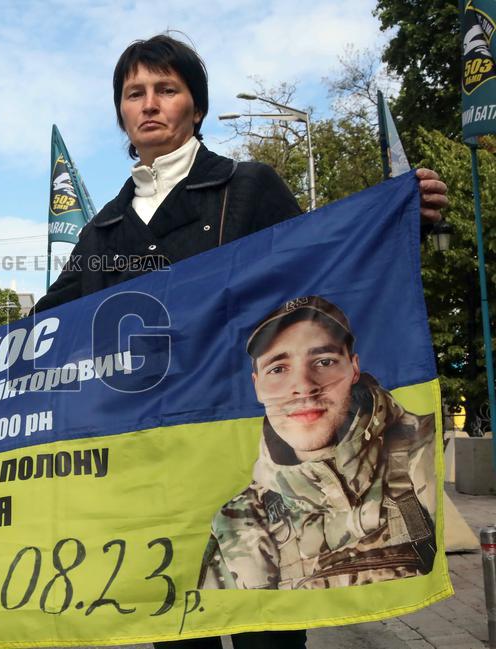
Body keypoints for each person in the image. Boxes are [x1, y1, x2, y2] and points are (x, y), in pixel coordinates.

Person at [33, 33, 448, 649]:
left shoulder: (247, 188)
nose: (149, 104)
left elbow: (322, 269)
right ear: (121, 111)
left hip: (251, 470)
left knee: (268, 637)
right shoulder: (103, 230)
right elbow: (47, 329)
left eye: (166, 90)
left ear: (194, 107)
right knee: (176, 633)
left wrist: (398, 220)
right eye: (134, 93)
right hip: (155, 474)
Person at [198, 296, 436, 591]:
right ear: (257, 385)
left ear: (354, 368)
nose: (304, 387)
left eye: (324, 362)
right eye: (278, 369)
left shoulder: (423, 452)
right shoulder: (239, 520)